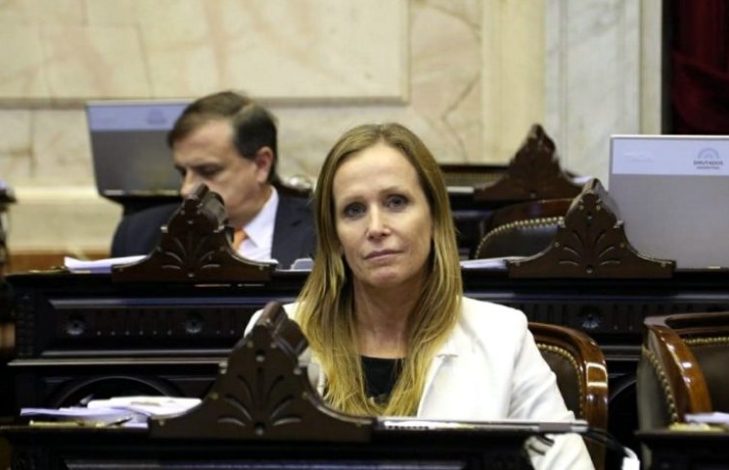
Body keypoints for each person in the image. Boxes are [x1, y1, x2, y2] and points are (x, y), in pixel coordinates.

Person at [245, 123, 594, 469]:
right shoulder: (277, 335)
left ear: (434, 217)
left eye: (396, 202)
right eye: (354, 210)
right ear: (334, 236)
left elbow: (568, 465)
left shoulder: (502, 336)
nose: (376, 228)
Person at [110, 90, 315, 268]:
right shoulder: (137, 235)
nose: (186, 189)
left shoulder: (321, 231)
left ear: (261, 164)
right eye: (182, 172)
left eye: (208, 171)